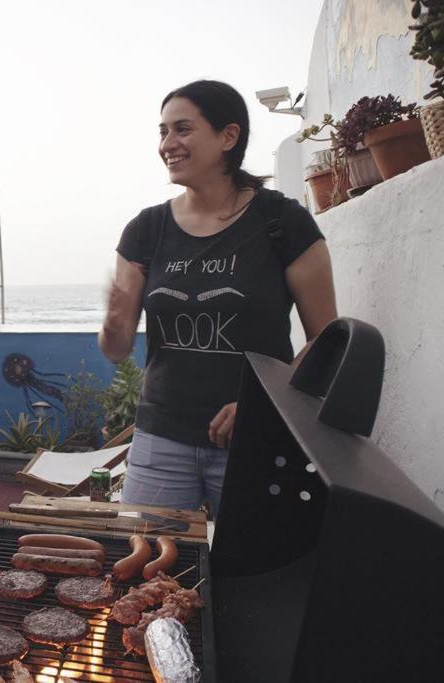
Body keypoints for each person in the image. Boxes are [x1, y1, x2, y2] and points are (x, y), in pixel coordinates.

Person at [98, 80, 336, 518]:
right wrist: (115, 318)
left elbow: (327, 340)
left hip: (256, 438)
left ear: (229, 136)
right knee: (146, 566)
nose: (168, 144)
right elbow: (115, 349)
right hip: (160, 439)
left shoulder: (282, 223)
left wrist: (266, 400)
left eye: (183, 129)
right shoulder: (145, 230)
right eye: (163, 131)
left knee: (251, 574)